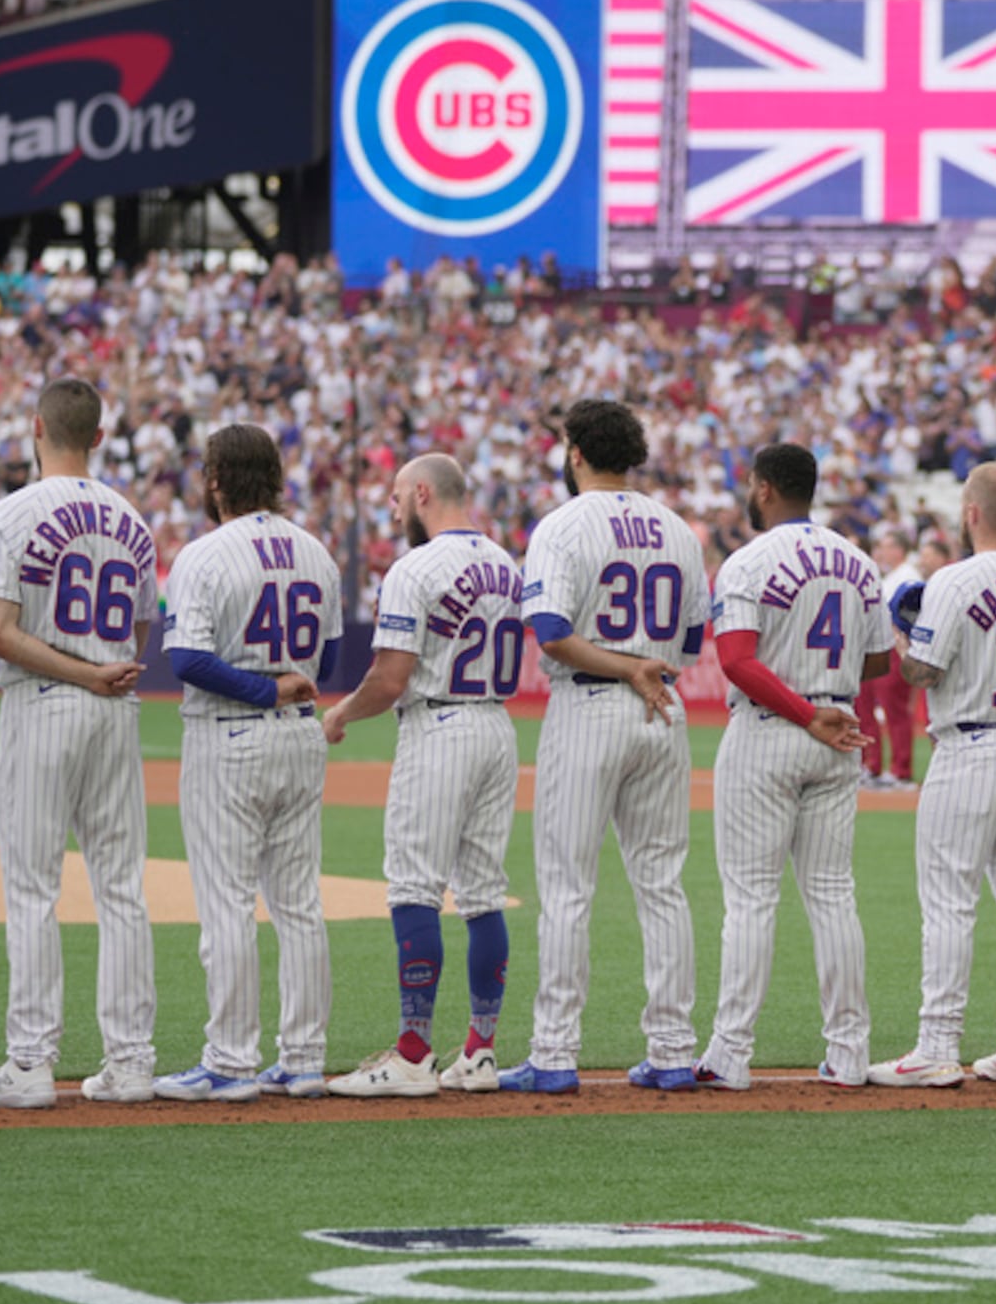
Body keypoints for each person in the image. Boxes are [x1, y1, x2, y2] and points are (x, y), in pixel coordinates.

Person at [0, 381, 158, 1110]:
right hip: (115, 709)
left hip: (45, 704)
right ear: (98, 437)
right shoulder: (132, 519)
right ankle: (131, 1061)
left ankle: (32, 1062)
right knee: (122, 889)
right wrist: (102, 670)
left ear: (35, 428)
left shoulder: (10, 512)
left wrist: (79, 670)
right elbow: (139, 630)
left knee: (32, 888)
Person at [503, 400, 708, 1093]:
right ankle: (674, 1049)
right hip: (661, 709)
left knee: (566, 886)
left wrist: (622, 666)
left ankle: (555, 1053)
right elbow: (687, 645)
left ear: (575, 453)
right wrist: (644, 669)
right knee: (662, 884)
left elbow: (553, 632)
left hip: (591, 704)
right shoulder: (678, 528)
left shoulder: (561, 524)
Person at [318, 455, 524, 1098]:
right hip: (497, 727)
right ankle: (481, 1050)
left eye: (400, 494)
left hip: (440, 728)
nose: (393, 504)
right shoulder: (505, 564)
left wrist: (342, 714)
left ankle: (411, 1055)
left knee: (414, 887)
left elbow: (390, 679)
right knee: (484, 892)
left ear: (425, 493)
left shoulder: (415, 567)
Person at [154, 425, 340, 1102]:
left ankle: (230, 1061)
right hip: (299, 735)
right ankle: (304, 1058)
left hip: (231, 736)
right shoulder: (316, 552)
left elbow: (186, 660)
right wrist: (282, 684)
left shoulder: (204, 554)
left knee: (228, 903)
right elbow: (335, 655)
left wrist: (261, 687)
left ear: (215, 479)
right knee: (298, 903)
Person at [698, 444, 888, 1092]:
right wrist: (826, 694)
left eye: (752, 484)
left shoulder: (747, 561)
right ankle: (851, 1053)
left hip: (773, 729)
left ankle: (729, 1054)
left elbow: (737, 662)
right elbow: (881, 662)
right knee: (833, 896)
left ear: (767, 489)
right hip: (838, 730)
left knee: (751, 899)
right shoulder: (859, 562)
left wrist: (805, 709)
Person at [869, 464, 996, 1087]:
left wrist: (901, 631)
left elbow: (923, 672)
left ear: (972, 512)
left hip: (973, 744)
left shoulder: (953, 580)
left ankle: (936, 1046)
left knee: (951, 901)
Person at [856, 530, 921, 788]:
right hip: (877, 645)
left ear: (899, 550)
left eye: (885, 546)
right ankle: (872, 765)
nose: (880, 552)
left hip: (895, 646)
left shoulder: (907, 576)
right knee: (866, 707)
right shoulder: (890, 576)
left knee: (895, 710)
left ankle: (900, 770)